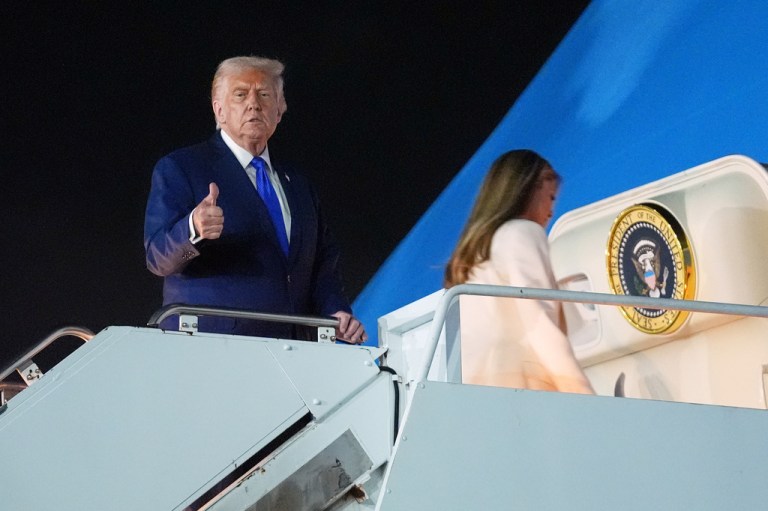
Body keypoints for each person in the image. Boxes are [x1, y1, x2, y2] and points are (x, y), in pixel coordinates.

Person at [144, 55, 366, 343]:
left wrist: (335, 311)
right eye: (240, 94)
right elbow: (159, 260)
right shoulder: (182, 168)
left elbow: (322, 265)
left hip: (294, 354)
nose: (254, 103)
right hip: (215, 350)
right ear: (219, 110)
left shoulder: (298, 184)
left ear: (280, 110)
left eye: (264, 94)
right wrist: (192, 232)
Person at [444, 149, 594, 394]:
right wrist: (583, 394)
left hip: (476, 392)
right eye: (552, 198)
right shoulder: (522, 232)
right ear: (530, 188)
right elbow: (539, 322)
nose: (551, 211)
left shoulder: (474, 256)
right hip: (522, 389)